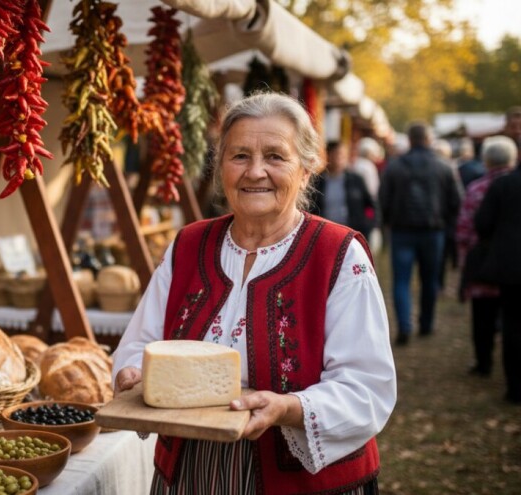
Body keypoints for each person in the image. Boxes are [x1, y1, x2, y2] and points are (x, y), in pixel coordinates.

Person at [112, 93, 397, 494]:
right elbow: (139, 342)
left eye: (276, 157)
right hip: (192, 472)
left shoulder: (338, 253)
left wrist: (288, 408)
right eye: (240, 155)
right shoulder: (189, 245)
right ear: (220, 166)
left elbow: (367, 387)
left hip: (306, 481)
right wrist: (133, 373)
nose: (255, 171)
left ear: (307, 168)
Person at [379, 122, 461, 345]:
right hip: (433, 231)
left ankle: (405, 325)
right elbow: (456, 200)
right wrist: (446, 222)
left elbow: (383, 198)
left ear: (410, 139)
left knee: (401, 281)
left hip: (402, 230)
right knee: (430, 279)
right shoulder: (443, 166)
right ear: (428, 139)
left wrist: (387, 222)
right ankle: (426, 323)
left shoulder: (395, 166)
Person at [455, 136, 515, 377]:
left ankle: (483, 362)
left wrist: (464, 261)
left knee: (482, 316)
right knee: (513, 318)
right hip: (513, 265)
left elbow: (464, 228)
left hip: (482, 262)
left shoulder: (477, 188)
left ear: (486, 160)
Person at [475, 139, 521, 404]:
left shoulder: (503, 184)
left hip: (512, 265)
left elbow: (482, 222)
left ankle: (515, 387)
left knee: (513, 325)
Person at [309, 141, 378, 239]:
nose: (338, 159)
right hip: (324, 234)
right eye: (335, 155)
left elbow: (370, 206)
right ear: (328, 156)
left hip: (351, 233)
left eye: (341, 155)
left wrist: (370, 225)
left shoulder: (356, 180)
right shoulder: (317, 181)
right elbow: (310, 207)